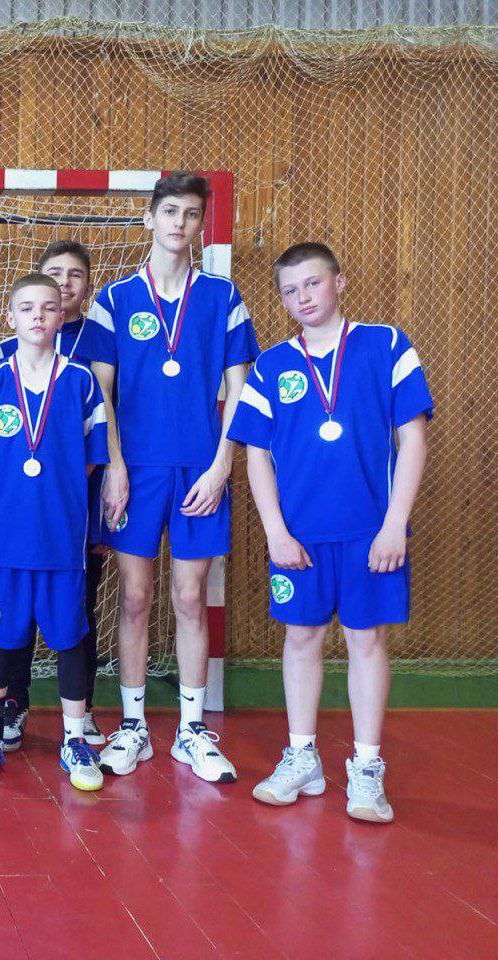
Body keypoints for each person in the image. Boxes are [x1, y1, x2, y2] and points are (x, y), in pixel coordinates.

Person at [229, 242, 431, 823]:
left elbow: (413, 438)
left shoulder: (385, 345)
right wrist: (275, 531)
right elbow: (256, 455)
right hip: (300, 537)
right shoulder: (271, 366)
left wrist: (394, 525)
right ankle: (302, 757)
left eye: (313, 284)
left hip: (371, 533)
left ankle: (366, 768)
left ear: (339, 282)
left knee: (366, 641)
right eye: (290, 291)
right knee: (301, 638)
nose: (303, 298)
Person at [80, 172, 259, 784]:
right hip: (137, 470)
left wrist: (222, 464)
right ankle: (133, 726)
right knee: (134, 597)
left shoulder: (222, 296)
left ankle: (190, 730)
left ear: (200, 224)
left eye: (191, 214)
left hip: (199, 468)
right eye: (170, 212)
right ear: (150, 218)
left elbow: (239, 388)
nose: (180, 223)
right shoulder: (114, 298)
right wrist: (115, 466)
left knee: (189, 597)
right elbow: (101, 392)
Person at [0, 274, 109, 791]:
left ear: (62, 317)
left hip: (62, 540)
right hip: (7, 540)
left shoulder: (81, 381)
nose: (39, 316)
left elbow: (91, 458)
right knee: (2, 638)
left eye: (48, 307)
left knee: (69, 638)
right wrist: (10, 492)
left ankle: (74, 740)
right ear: (11, 318)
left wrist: (56, 494)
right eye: (27, 308)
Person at [0, 240, 117, 750]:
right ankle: (15, 702)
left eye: (74, 274)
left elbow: (105, 414)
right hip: (20, 504)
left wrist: (95, 479)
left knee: (77, 603)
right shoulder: (3, 356)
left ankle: (79, 714)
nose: (64, 282)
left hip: (73, 497)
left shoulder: (98, 341)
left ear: (85, 286)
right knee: (17, 609)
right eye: (54, 272)